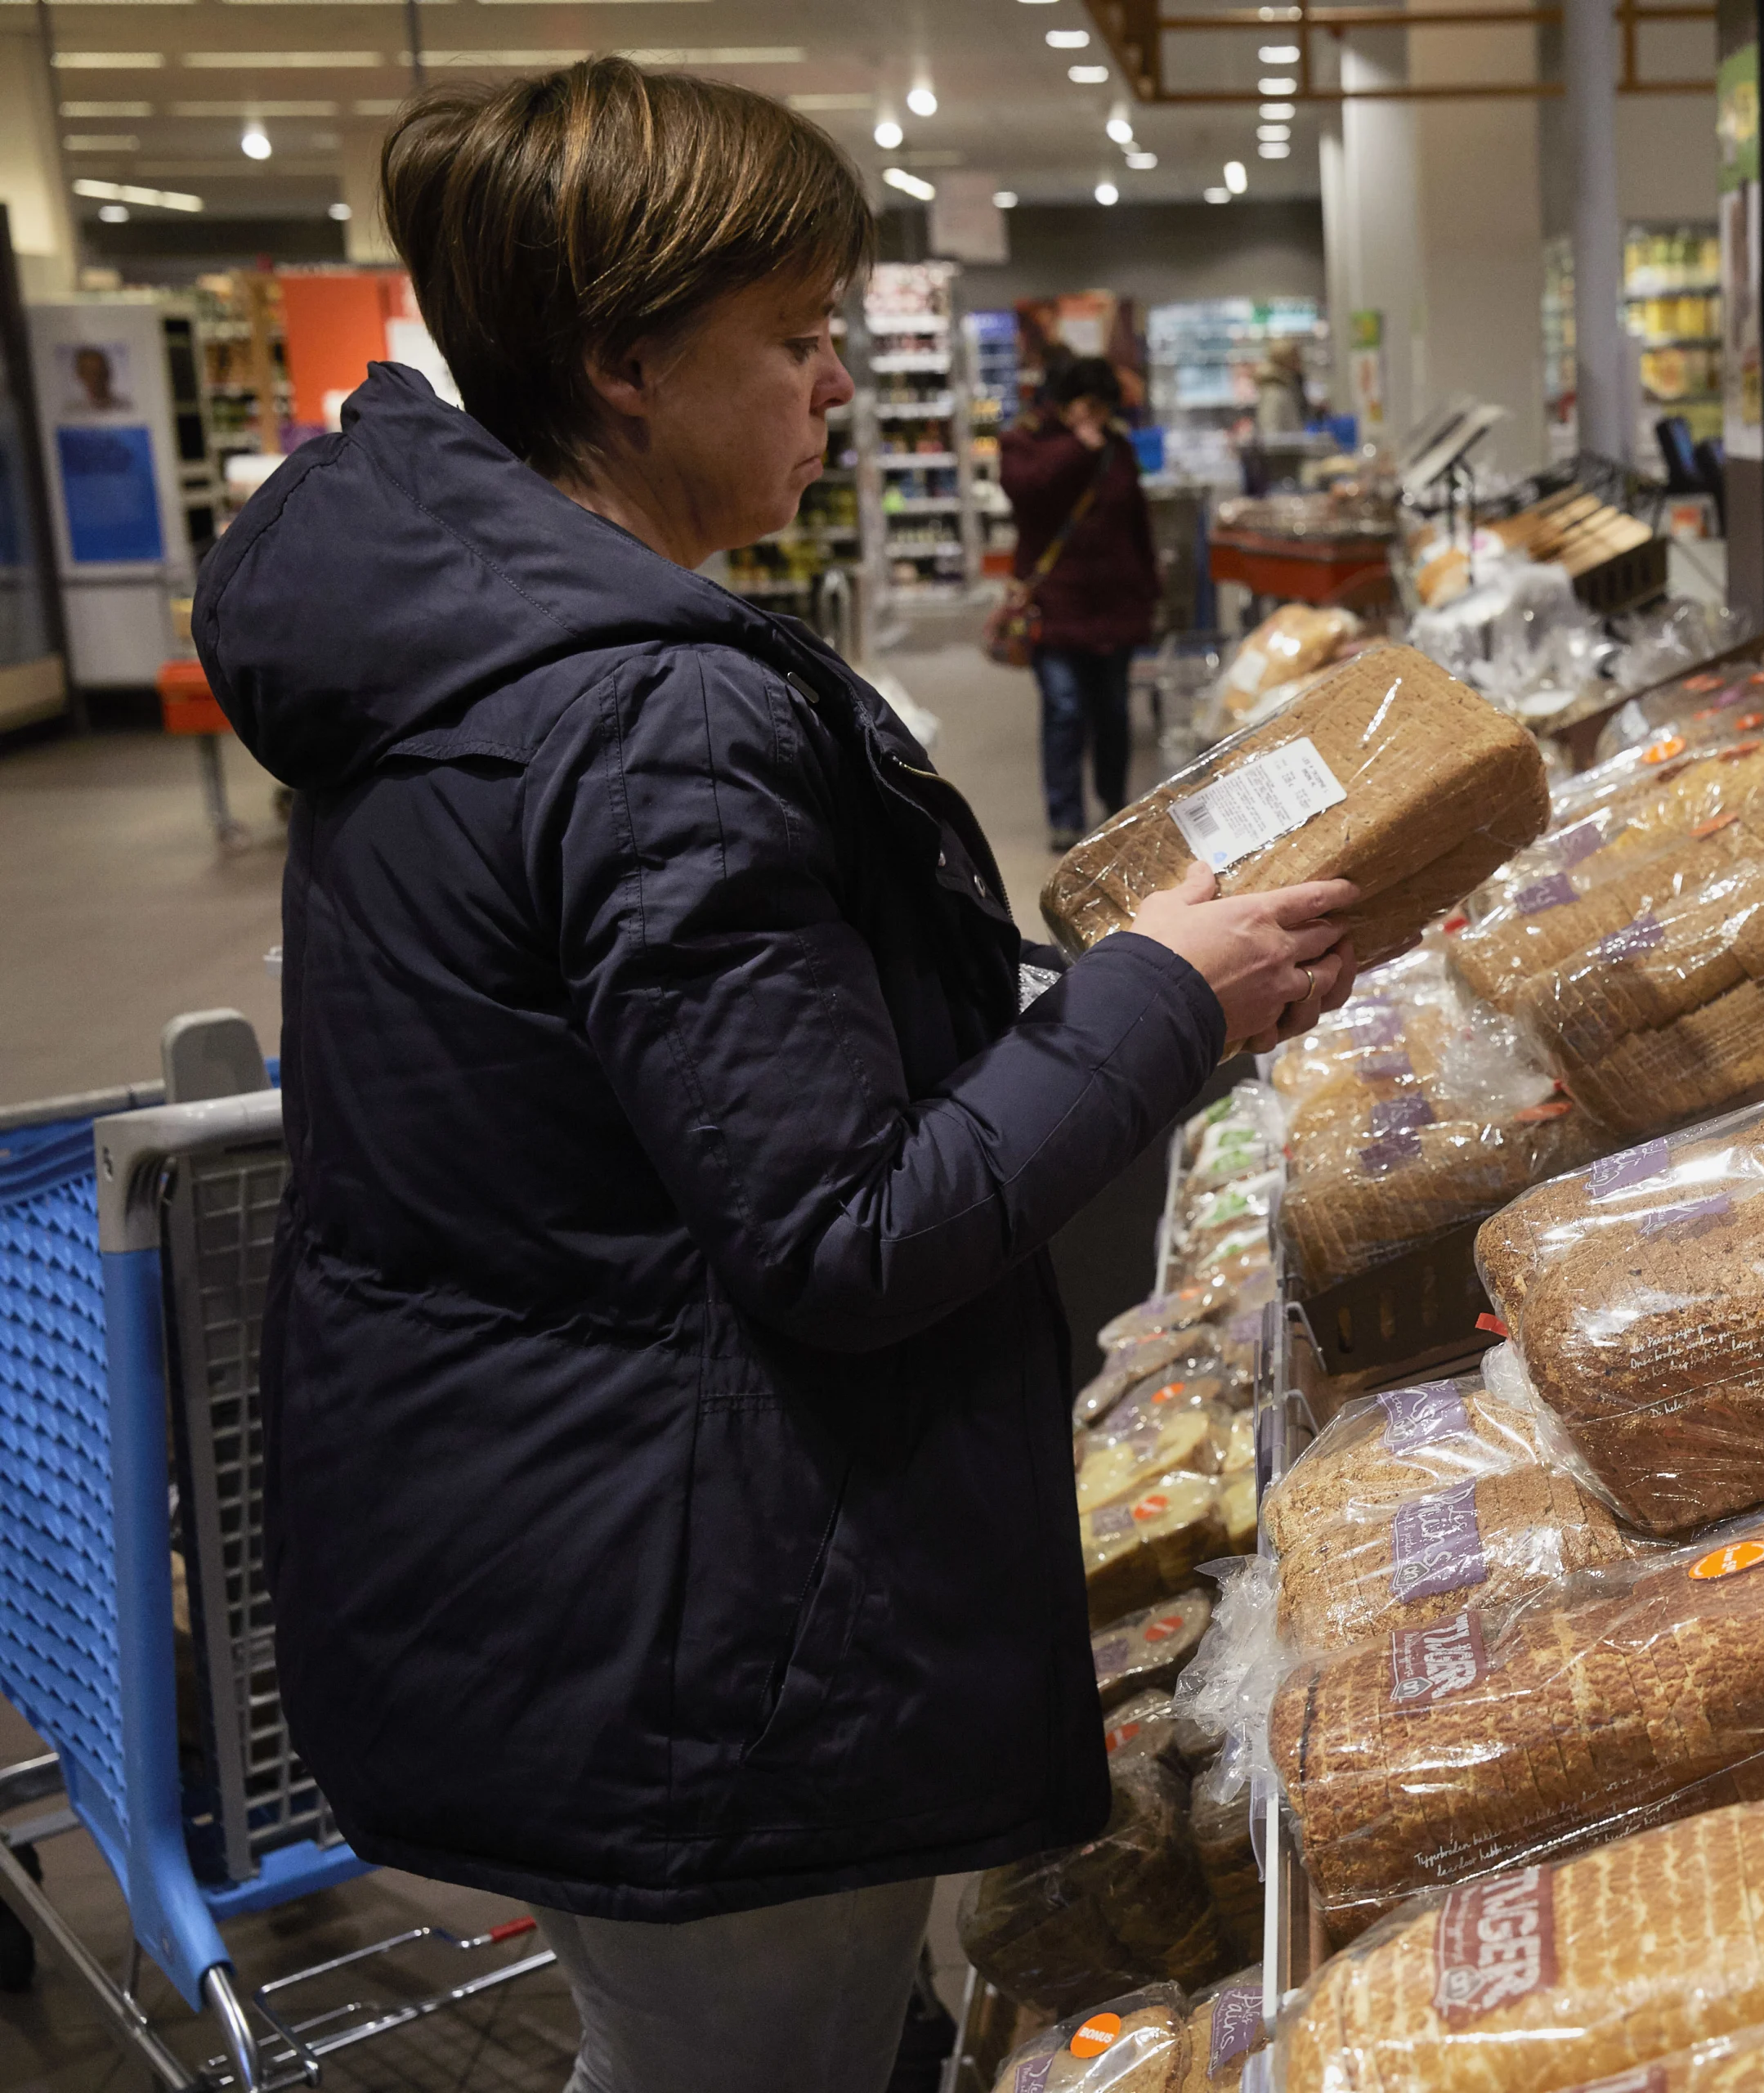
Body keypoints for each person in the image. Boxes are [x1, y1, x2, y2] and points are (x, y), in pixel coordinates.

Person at [190, 57, 1359, 2093]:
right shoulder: (643, 720)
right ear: (629, 363)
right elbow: (842, 1226)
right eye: (800, 340)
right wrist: (1166, 997)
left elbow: (693, 1111)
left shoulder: (465, 654)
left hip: (560, 1557)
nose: (839, 386)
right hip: (705, 1627)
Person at [1000, 358, 1156, 851]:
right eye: (1088, 404)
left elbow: (1137, 526)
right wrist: (1075, 449)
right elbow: (1025, 494)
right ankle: (1065, 817)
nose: (1096, 415)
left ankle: (1114, 806)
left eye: (1103, 406)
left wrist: (1150, 592)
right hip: (1055, 605)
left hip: (1114, 605)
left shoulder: (1118, 450)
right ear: (1063, 403)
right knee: (1065, 709)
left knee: (1113, 711)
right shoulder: (1024, 445)